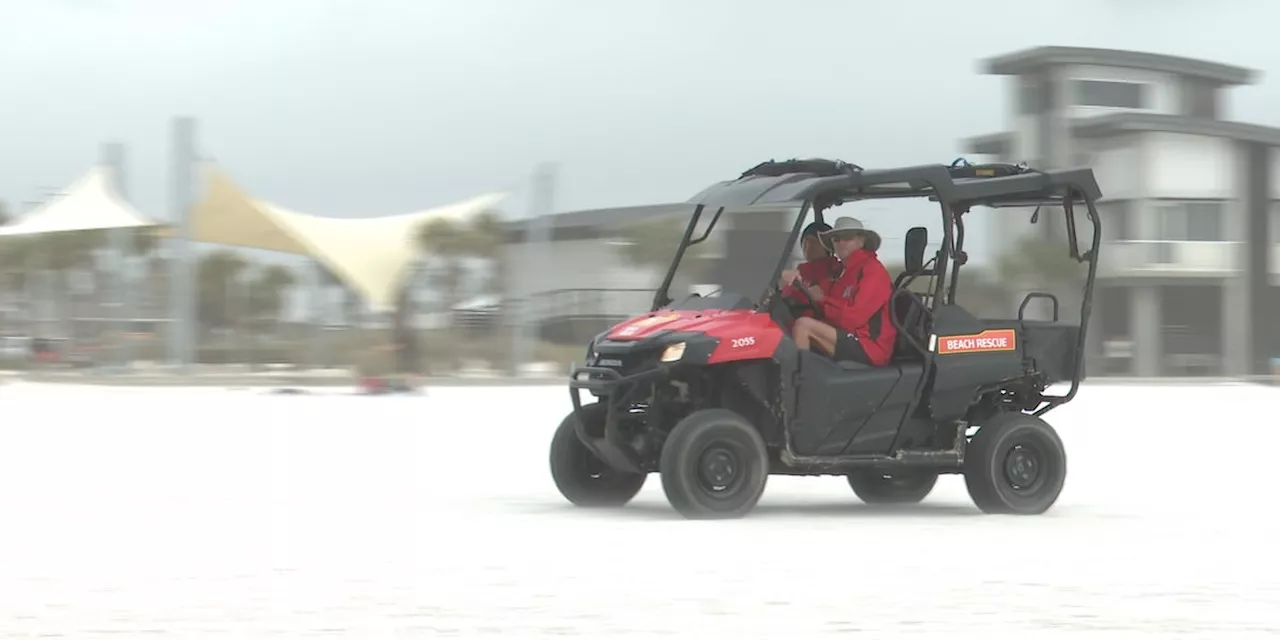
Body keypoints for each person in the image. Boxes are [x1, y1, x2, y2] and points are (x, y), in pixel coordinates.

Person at [791, 216, 897, 366]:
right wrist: (792, 282)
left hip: (869, 346)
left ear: (861, 241)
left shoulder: (872, 271)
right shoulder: (840, 271)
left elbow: (852, 318)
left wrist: (822, 300)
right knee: (788, 330)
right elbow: (815, 292)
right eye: (836, 239)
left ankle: (802, 385)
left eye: (847, 238)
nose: (840, 243)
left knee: (803, 326)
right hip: (846, 335)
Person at [778, 221, 841, 317]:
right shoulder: (799, 271)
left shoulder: (835, 270)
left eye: (813, 241)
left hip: (813, 321)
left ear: (827, 246)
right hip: (790, 316)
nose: (807, 246)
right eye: (805, 241)